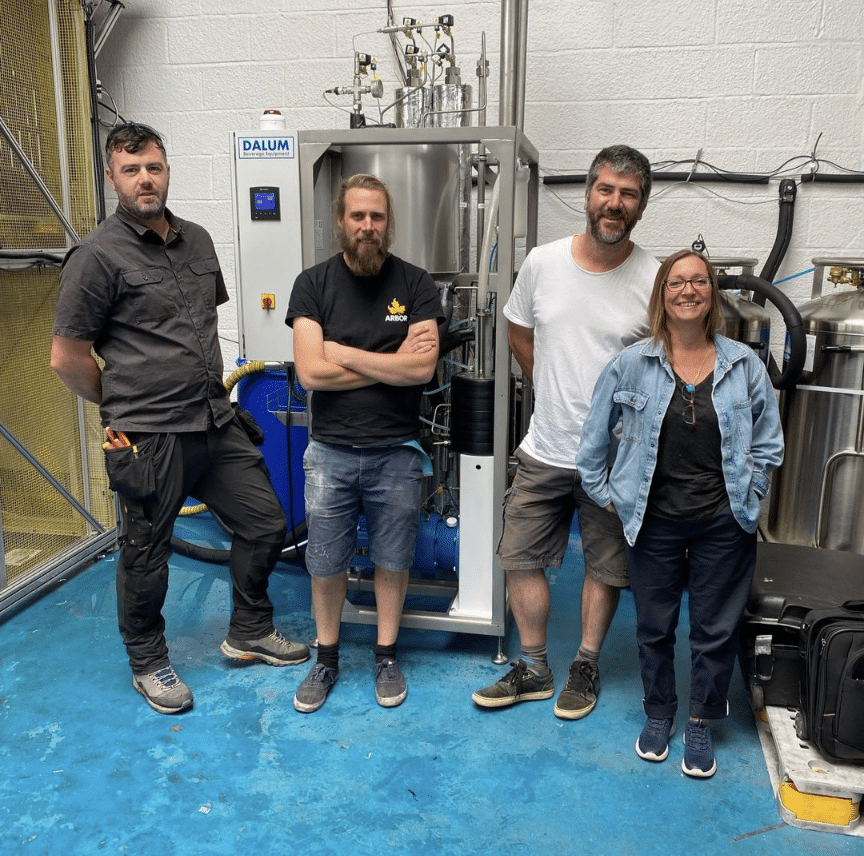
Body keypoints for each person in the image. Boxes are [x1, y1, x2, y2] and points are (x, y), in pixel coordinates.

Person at [50, 122, 309, 715]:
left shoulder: (197, 240)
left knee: (265, 523)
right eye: (131, 169)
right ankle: (148, 660)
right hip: (149, 435)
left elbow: (195, 326)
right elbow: (66, 358)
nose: (146, 179)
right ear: (112, 177)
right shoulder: (95, 256)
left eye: (155, 167)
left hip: (214, 420)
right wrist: (119, 404)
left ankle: (248, 628)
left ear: (168, 170)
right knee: (147, 550)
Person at [576, 250, 783, 777]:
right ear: (661, 295)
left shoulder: (744, 365)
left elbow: (769, 444)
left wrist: (752, 494)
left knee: (714, 629)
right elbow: (592, 441)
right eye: (676, 282)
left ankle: (699, 719)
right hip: (654, 519)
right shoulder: (631, 364)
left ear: (711, 294)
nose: (688, 290)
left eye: (698, 282)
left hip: (724, 518)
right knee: (654, 626)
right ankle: (658, 712)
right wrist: (608, 494)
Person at [472, 145, 660, 719]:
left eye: (628, 195)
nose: (614, 203)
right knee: (517, 554)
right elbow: (518, 329)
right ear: (587, 194)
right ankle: (533, 666)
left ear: (641, 206)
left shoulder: (652, 278)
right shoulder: (543, 263)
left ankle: (585, 664)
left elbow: (663, 363)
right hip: (545, 447)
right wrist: (550, 385)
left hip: (614, 457)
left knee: (605, 566)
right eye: (606, 189)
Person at [286, 173, 442, 713]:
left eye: (377, 217)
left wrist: (344, 352)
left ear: (389, 222)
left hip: (397, 450)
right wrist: (389, 363)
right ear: (341, 222)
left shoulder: (417, 283)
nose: (368, 227)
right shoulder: (312, 284)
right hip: (329, 450)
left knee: (393, 558)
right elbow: (310, 372)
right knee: (325, 560)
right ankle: (325, 658)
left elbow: (422, 368)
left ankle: (386, 654)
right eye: (358, 217)